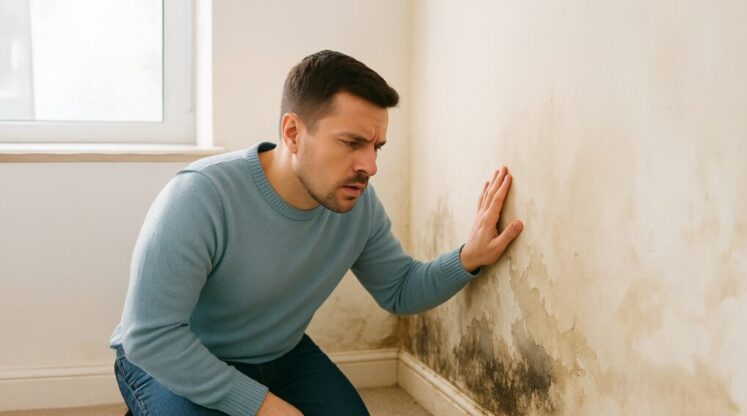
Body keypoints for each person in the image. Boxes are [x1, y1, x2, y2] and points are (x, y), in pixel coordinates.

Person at [109, 50, 524, 416]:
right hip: (170, 361)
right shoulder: (202, 195)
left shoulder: (357, 204)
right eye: (351, 142)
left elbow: (399, 289)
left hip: (278, 354)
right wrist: (262, 405)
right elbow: (150, 336)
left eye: (376, 146)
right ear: (292, 133)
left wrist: (469, 256)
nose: (369, 165)